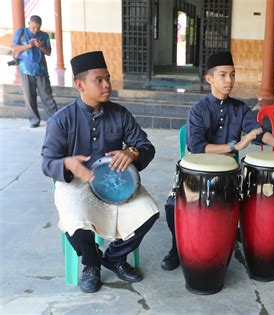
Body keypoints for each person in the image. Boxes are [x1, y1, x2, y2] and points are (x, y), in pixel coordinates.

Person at [161, 51, 274, 271]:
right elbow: (197, 147)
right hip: (197, 175)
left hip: (230, 174)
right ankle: (178, 248)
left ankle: (244, 240)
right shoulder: (198, 110)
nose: (229, 80)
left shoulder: (239, 109)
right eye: (223, 75)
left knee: (259, 199)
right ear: (209, 79)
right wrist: (236, 146)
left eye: (232, 75)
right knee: (171, 205)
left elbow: (258, 131)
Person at [41, 51, 159, 293]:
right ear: (79, 84)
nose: (107, 85)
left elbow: (146, 146)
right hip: (76, 183)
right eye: (99, 80)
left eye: (108, 78)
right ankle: (91, 264)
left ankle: (114, 257)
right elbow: (47, 162)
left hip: (114, 181)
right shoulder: (61, 120)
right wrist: (68, 164)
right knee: (75, 217)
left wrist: (132, 153)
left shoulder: (120, 114)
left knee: (149, 211)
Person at [12, 15, 57, 128]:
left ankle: (55, 119)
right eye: (33, 28)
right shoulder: (21, 32)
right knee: (29, 96)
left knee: (47, 95)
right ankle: (34, 120)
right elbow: (14, 47)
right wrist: (29, 45)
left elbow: (48, 52)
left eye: (37, 28)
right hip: (25, 69)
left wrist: (41, 46)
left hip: (41, 70)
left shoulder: (44, 35)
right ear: (29, 24)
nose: (35, 30)